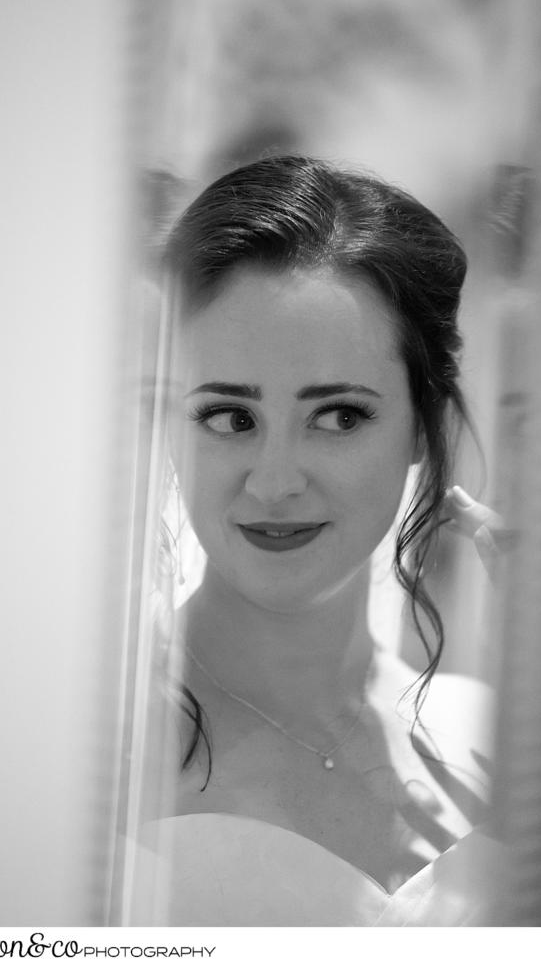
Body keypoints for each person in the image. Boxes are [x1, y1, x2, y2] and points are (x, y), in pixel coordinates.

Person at [130, 155, 506, 926]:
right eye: (229, 417)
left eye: (337, 415)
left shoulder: (500, 742)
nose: (273, 483)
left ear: (421, 426)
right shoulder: (74, 760)